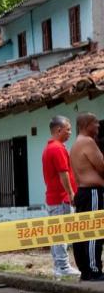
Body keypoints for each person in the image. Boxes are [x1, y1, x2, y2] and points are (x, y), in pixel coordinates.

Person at [41, 116, 80, 278]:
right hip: (61, 198)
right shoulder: (57, 149)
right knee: (62, 233)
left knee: (56, 232)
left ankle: (59, 266)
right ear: (58, 130)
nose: (70, 132)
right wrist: (71, 194)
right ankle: (63, 266)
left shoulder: (50, 148)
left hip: (54, 198)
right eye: (68, 129)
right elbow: (63, 173)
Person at [69, 112, 104, 282]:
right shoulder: (88, 142)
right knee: (94, 231)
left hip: (82, 193)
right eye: (95, 123)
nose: (98, 126)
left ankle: (85, 270)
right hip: (92, 193)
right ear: (86, 125)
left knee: (81, 232)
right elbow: (102, 167)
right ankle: (93, 270)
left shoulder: (75, 144)